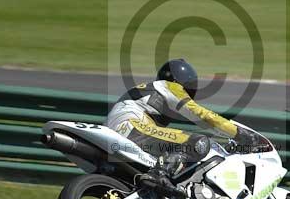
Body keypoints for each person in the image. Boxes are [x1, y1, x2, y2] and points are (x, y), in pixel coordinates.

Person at [105, 58, 255, 169]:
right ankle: (158, 175)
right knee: (198, 142)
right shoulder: (170, 86)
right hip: (131, 127)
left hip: (114, 131)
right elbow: (202, 115)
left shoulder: (152, 91)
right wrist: (238, 133)